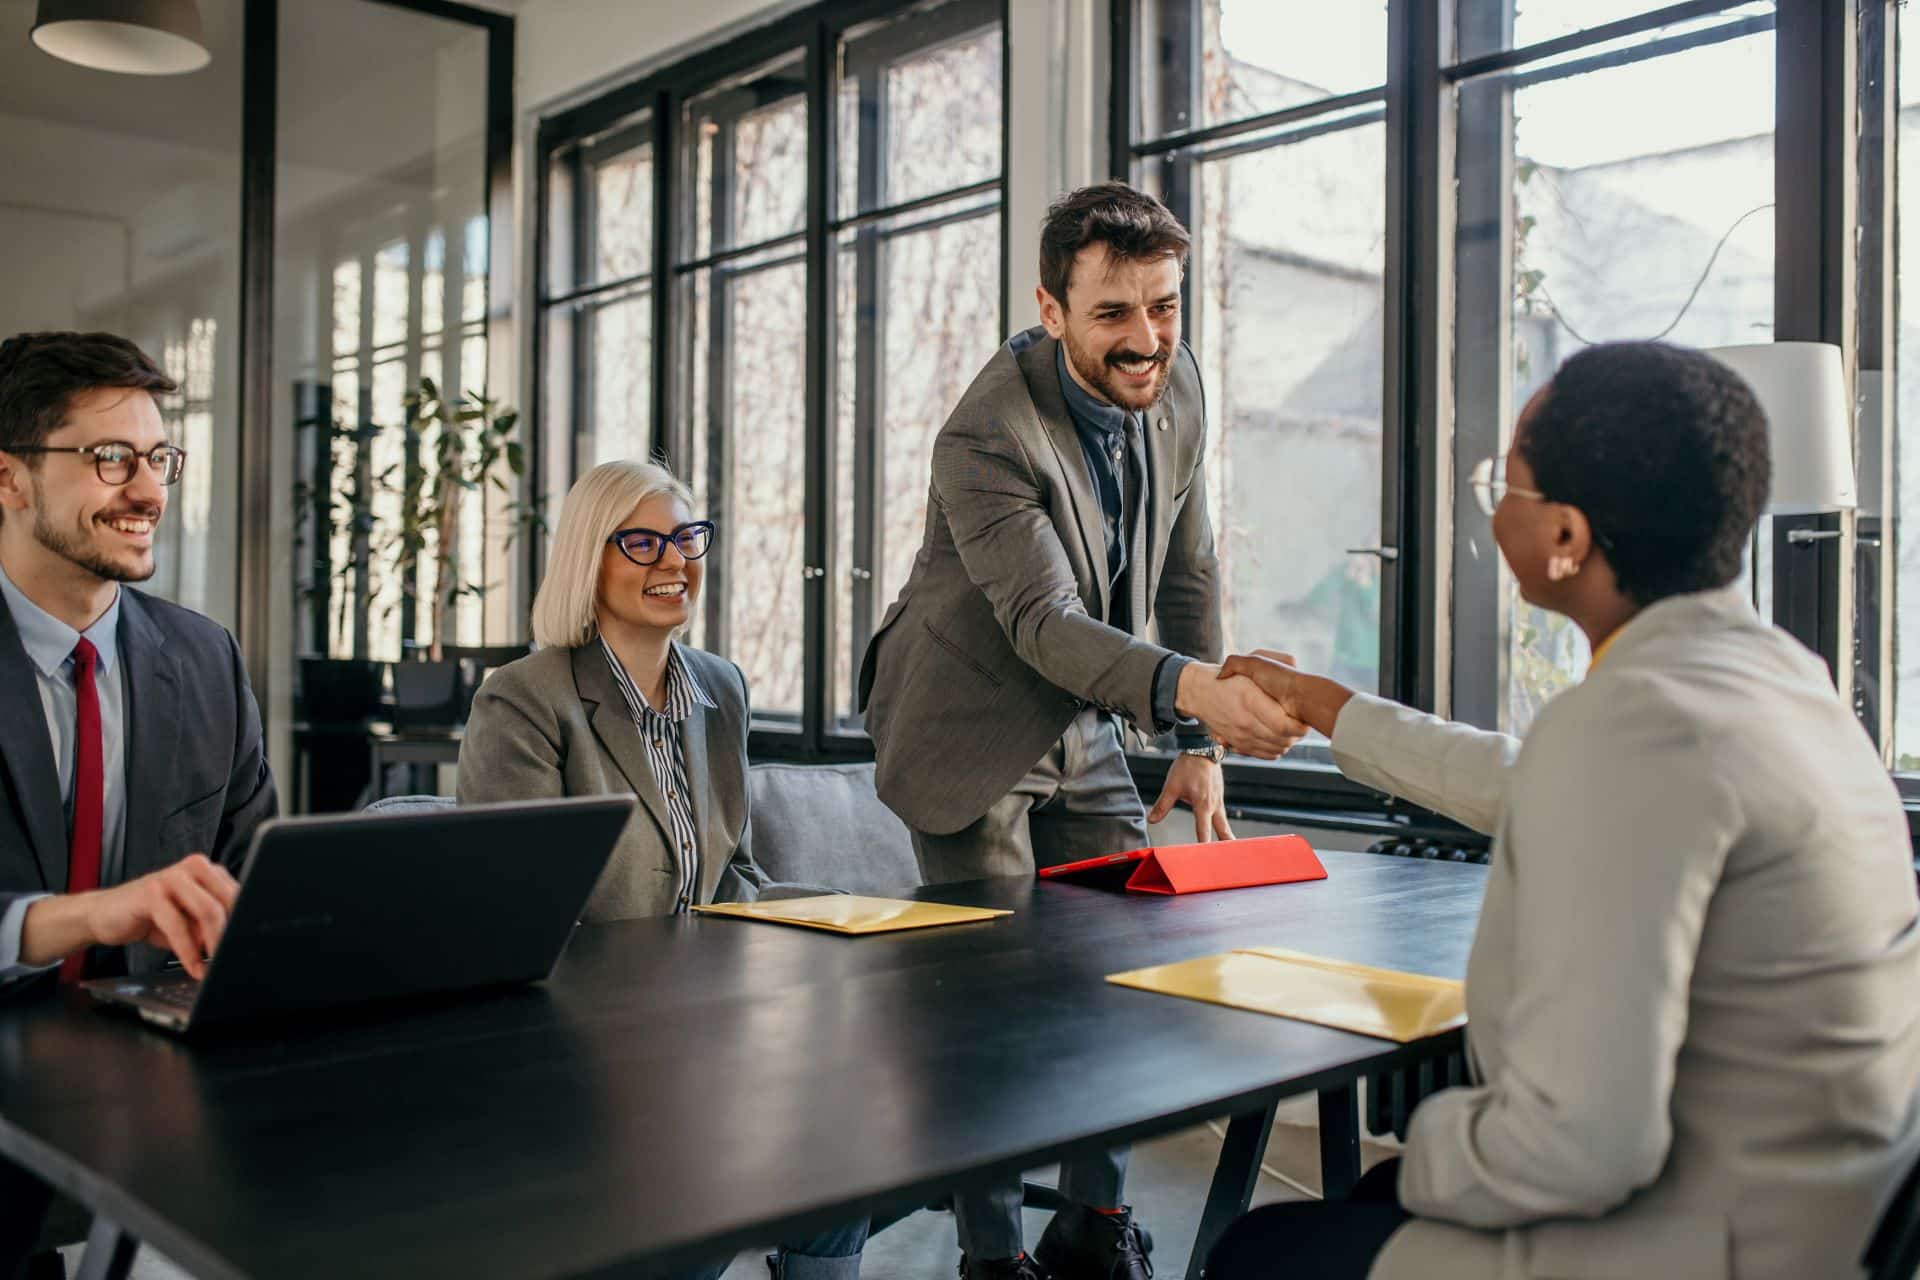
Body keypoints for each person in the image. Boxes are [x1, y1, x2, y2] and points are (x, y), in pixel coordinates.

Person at [1204, 342, 1920, 1280]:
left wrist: (1434, 1146)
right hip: (1825, 1212)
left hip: (1701, 1242)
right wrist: (1329, 706)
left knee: (1261, 1253)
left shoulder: (1633, 724)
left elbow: (1582, 1145)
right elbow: (1528, 778)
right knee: (1369, 1206)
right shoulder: (1781, 683)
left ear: (1568, 538)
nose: (1494, 501)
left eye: (1510, 480)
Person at [857, 182, 1304, 1280]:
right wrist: (1196, 691)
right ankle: (993, 1253)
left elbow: (1188, 564)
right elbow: (1042, 620)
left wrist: (1196, 745)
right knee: (995, 1004)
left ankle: (1094, 1228)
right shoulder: (986, 430)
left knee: (1118, 962)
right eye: (1114, 313)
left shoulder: (1178, 383)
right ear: (1052, 309)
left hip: (1081, 711)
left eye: (1165, 305)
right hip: (964, 721)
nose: (1146, 338)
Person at [456, 458, 867, 1280]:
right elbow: (518, 924)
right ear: (587, 559)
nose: (674, 561)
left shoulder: (719, 687)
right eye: (641, 542)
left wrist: (851, 920)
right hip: (590, 1049)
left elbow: (734, 876)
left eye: (686, 538)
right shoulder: (525, 700)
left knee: (843, 1162)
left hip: (713, 1026)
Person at [0, 330, 277, 1279]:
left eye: (159, 457)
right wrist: (85, 916)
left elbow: (253, 881)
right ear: (10, 480)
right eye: (109, 458)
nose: (150, 490)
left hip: (163, 1100)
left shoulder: (206, 659)